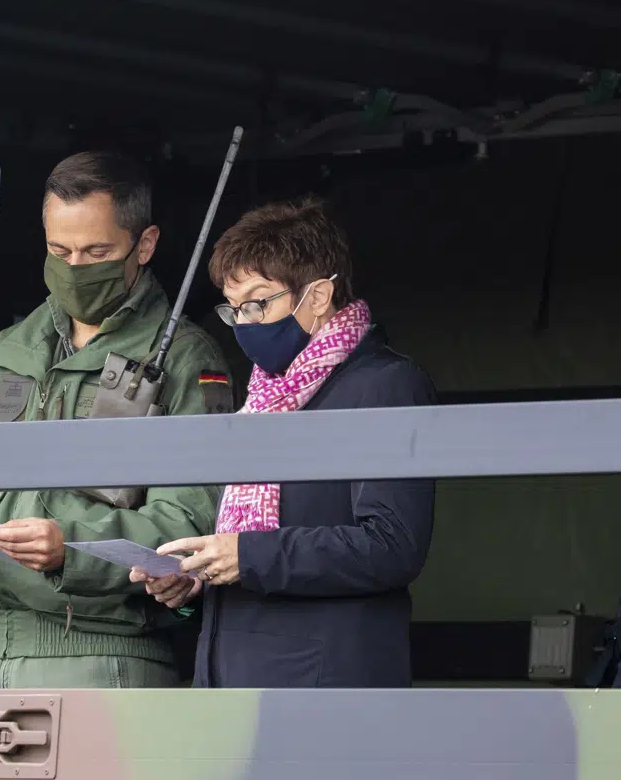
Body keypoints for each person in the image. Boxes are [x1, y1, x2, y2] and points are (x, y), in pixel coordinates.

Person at [0, 150, 234, 689]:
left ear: (143, 245)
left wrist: (69, 547)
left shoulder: (186, 359)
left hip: (105, 654)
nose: (75, 268)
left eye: (97, 251)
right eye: (59, 250)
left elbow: (194, 525)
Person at [133, 196, 436, 688]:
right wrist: (196, 577)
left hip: (321, 685)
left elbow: (392, 546)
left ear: (317, 296)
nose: (245, 324)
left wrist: (245, 556)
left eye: (257, 302)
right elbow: (245, 548)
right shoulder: (263, 396)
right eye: (234, 310)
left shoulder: (384, 385)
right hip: (232, 678)